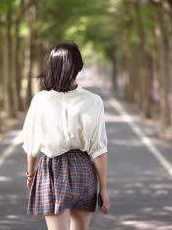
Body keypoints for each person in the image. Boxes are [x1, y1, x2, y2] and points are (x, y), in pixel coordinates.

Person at [20, 42, 110, 230]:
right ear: (78, 67)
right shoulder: (93, 101)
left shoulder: (40, 100)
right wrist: (104, 189)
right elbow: (99, 149)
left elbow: (32, 145)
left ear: (51, 67)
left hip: (52, 170)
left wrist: (30, 174)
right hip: (83, 169)